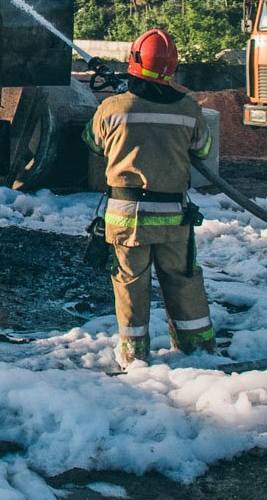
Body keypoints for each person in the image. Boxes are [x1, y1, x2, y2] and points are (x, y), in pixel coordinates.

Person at [82, 28, 215, 369]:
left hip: (127, 218)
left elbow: (93, 142)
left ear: (133, 62)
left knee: (130, 284)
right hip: (173, 216)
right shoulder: (188, 109)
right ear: (172, 69)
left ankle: (134, 356)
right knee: (183, 279)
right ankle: (197, 350)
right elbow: (203, 148)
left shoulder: (112, 107)